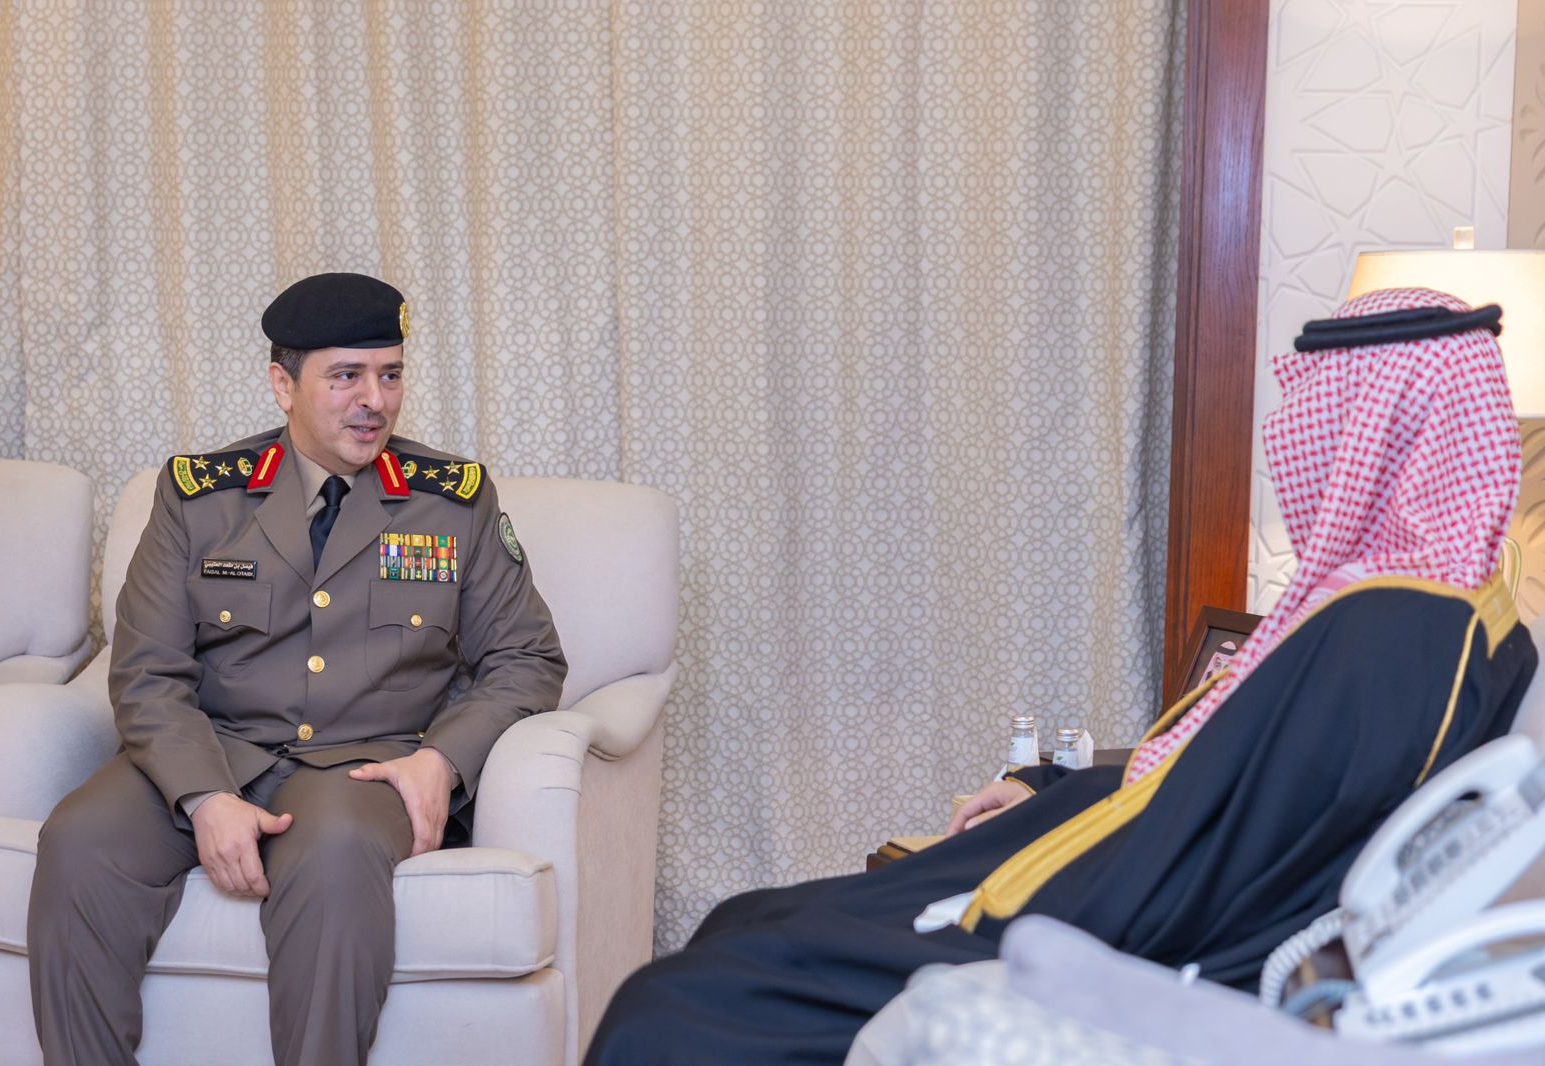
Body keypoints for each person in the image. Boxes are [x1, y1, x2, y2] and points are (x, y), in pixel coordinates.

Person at [585, 287, 1539, 1064]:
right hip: (1119, 864)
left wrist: (1027, 896)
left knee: (681, 1005)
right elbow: (1218, 787)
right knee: (744, 921)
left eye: (1321, 408)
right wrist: (1048, 790)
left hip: (1124, 922)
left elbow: (1224, 862)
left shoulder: (1393, 632)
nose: (1294, 435)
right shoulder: (1431, 614)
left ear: (1386, 424)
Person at [26, 272, 568, 1066]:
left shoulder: (453, 502)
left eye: (390, 375)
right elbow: (146, 670)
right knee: (78, 843)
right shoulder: (198, 498)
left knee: (336, 860)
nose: (374, 401)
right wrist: (203, 796)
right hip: (210, 750)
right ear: (284, 385)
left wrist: (442, 762)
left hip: (362, 766)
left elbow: (527, 656)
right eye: (346, 376)